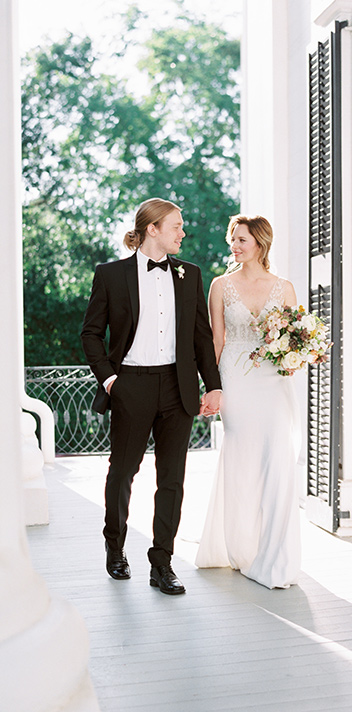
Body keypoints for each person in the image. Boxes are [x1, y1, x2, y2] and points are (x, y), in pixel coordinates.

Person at [81, 198, 221, 595]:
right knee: (123, 472)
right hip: (131, 386)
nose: (182, 233)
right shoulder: (110, 275)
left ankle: (162, 564)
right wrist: (110, 381)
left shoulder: (189, 274)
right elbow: (90, 333)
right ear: (152, 229)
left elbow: (201, 337)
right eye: (176, 226)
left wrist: (213, 385)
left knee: (172, 480)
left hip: (178, 389)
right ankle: (115, 547)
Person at [195, 215, 301, 589]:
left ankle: (276, 557)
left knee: (277, 461)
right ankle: (242, 548)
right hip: (236, 379)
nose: (235, 246)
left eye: (242, 240)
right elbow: (216, 342)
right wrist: (212, 388)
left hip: (273, 381)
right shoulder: (221, 286)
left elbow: (293, 339)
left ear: (260, 243)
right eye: (233, 240)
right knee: (242, 461)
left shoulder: (284, 287)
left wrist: (302, 355)